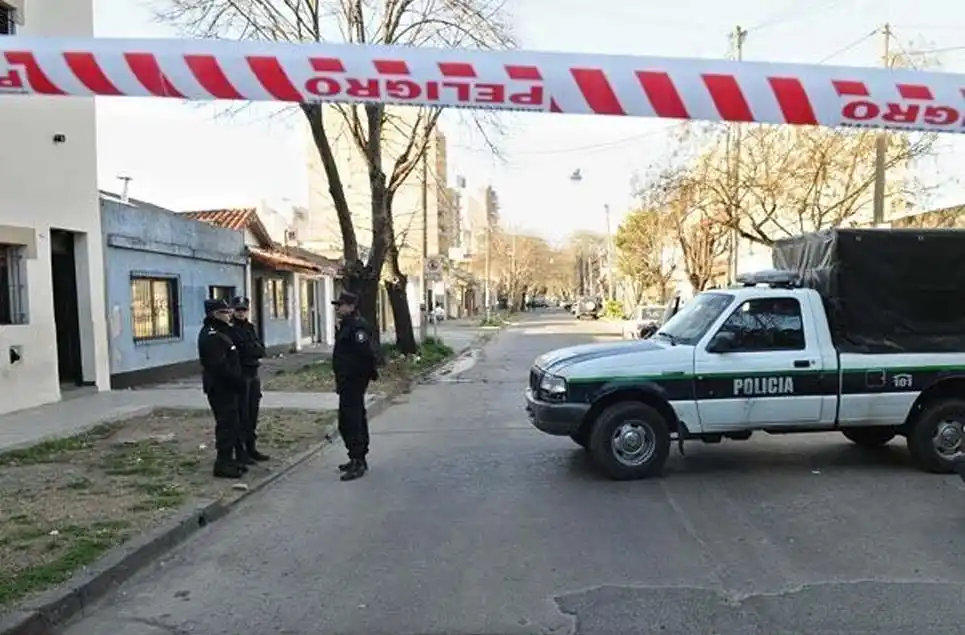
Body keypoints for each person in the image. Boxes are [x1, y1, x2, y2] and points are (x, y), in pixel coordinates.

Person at [331, 290, 378, 481]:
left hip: (354, 380)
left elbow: (365, 354)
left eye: (340, 305)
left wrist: (363, 376)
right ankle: (355, 457)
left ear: (351, 307)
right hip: (346, 380)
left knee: (352, 420)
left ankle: (358, 459)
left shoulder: (358, 327)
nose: (338, 308)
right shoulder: (346, 325)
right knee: (349, 419)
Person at [198, 298, 247, 479]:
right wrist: (237, 381)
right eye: (225, 312)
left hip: (229, 387)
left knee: (232, 425)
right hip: (220, 387)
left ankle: (230, 460)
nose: (229, 315)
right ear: (215, 314)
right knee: (226, 426)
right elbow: (219, 366)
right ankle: (222, 464)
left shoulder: (222, 332)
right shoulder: (211, 335)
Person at [230, 296, 270, 464]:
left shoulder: (250, 327)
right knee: (242, 414)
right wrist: (251, 350)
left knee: (253, 412)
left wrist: (251, 349)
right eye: (238, 309)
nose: (241, 313)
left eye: (244, 310)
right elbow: (239, 352)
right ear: (233, 310)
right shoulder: (230, 329)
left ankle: (251, 447)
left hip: (253, 373)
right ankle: (241, 451)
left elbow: (261, 349)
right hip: (241, 374)